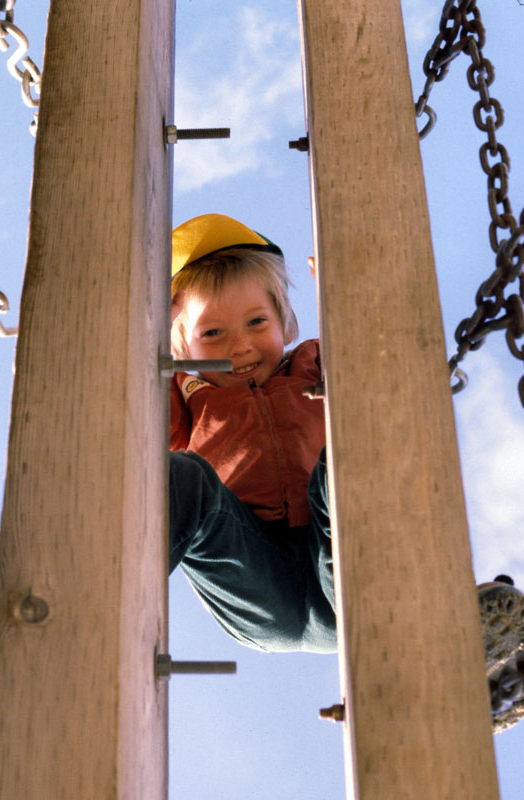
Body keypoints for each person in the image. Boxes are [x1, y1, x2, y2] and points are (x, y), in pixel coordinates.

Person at [168, 213, 337, 654]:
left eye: (257, 322)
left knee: (346, 454)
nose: (239, 345)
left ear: (284, 322)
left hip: (340, 555)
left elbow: (375, 359)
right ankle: (103, 600)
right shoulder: (184, 397)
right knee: (182, 474)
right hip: (253, 574)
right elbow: (131, 404)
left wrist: (346, 295)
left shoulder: (315, 365)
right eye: (212, 332)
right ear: (181, 349)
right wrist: (148, 337)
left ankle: (446, 628)